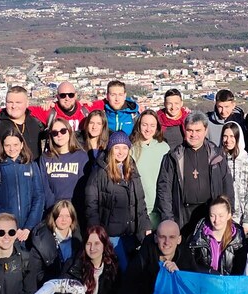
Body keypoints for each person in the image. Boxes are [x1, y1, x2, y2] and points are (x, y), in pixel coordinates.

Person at [155, 112, 235, 233]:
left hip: (211, 214)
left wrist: (229, 212)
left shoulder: (217, 155)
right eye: (190, 130)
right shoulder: (173, 157)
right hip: (182, 216)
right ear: (184, 130)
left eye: (198, 130)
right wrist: (168, 219)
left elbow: (227, 185)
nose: (193, 135)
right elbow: (164, 190)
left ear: (205, 130)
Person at [85, 130, 150, 272]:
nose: (121, 152)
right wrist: (96, 231)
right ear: (110, 149)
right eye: (117, 148)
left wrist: (145, 225)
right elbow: (91, 204)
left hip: (131, 232)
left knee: (134, 270)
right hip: (111, 234)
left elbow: (140, 199)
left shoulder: (131, 168)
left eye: (124, 148)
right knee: (121, 270)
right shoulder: (100, 171)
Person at [21, 201, 82, 294]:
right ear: (53, 218)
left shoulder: (78, 239)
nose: (63, 219)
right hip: (48, 292)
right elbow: (32, 276)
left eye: (67, 216)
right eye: (60, 215)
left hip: (70, 290)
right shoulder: (41, 240)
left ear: (72, 219)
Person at [0, 130, 51, 241]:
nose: (12, 149)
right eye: (7, 145)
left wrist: (29, 227)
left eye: (15, 144)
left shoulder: (31, 166)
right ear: (2, 146)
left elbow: (39, 197)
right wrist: (8, 226)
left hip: (29, 231)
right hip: (6, 233)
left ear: (22, 145)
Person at [0, 85, 45, 160]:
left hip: (33, 170)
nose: (14, 106)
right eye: (10, 102)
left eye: (18, 102)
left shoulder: (36, 122)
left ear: (27, 103)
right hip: (2, 171)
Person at [130, 110, 170, 228]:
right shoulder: (131, 149)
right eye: (144, 125)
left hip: (161, 207)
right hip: (140, 209)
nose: (148, 129)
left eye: (152, 125)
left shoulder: (164, 148)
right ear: (138, 125)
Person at [187, 195, 245, 275]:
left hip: (229, 285)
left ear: (229, 216)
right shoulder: (197, 236)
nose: (216, 220)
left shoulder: (239, 238)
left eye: (221, 216)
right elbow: (190, 265)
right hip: (205, 283)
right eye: (212, 216)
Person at [40, 116, 89, 209]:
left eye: (63, 131)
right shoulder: (45, 158)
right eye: (54, 133)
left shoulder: (81, 156)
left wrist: (72, 210)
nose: (59, 135)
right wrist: (55, 209)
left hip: (75, 210)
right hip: (53, 209)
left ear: (69, 132)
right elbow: (44, 188)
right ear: (51, 136)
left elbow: (83, 187)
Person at [220, 122, 248, 235]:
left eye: (232, 136)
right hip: (222, 216)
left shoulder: (247, 159)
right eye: (225, 136)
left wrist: (247, 219)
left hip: (241, 216)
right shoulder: (218, 159)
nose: (228, 140)